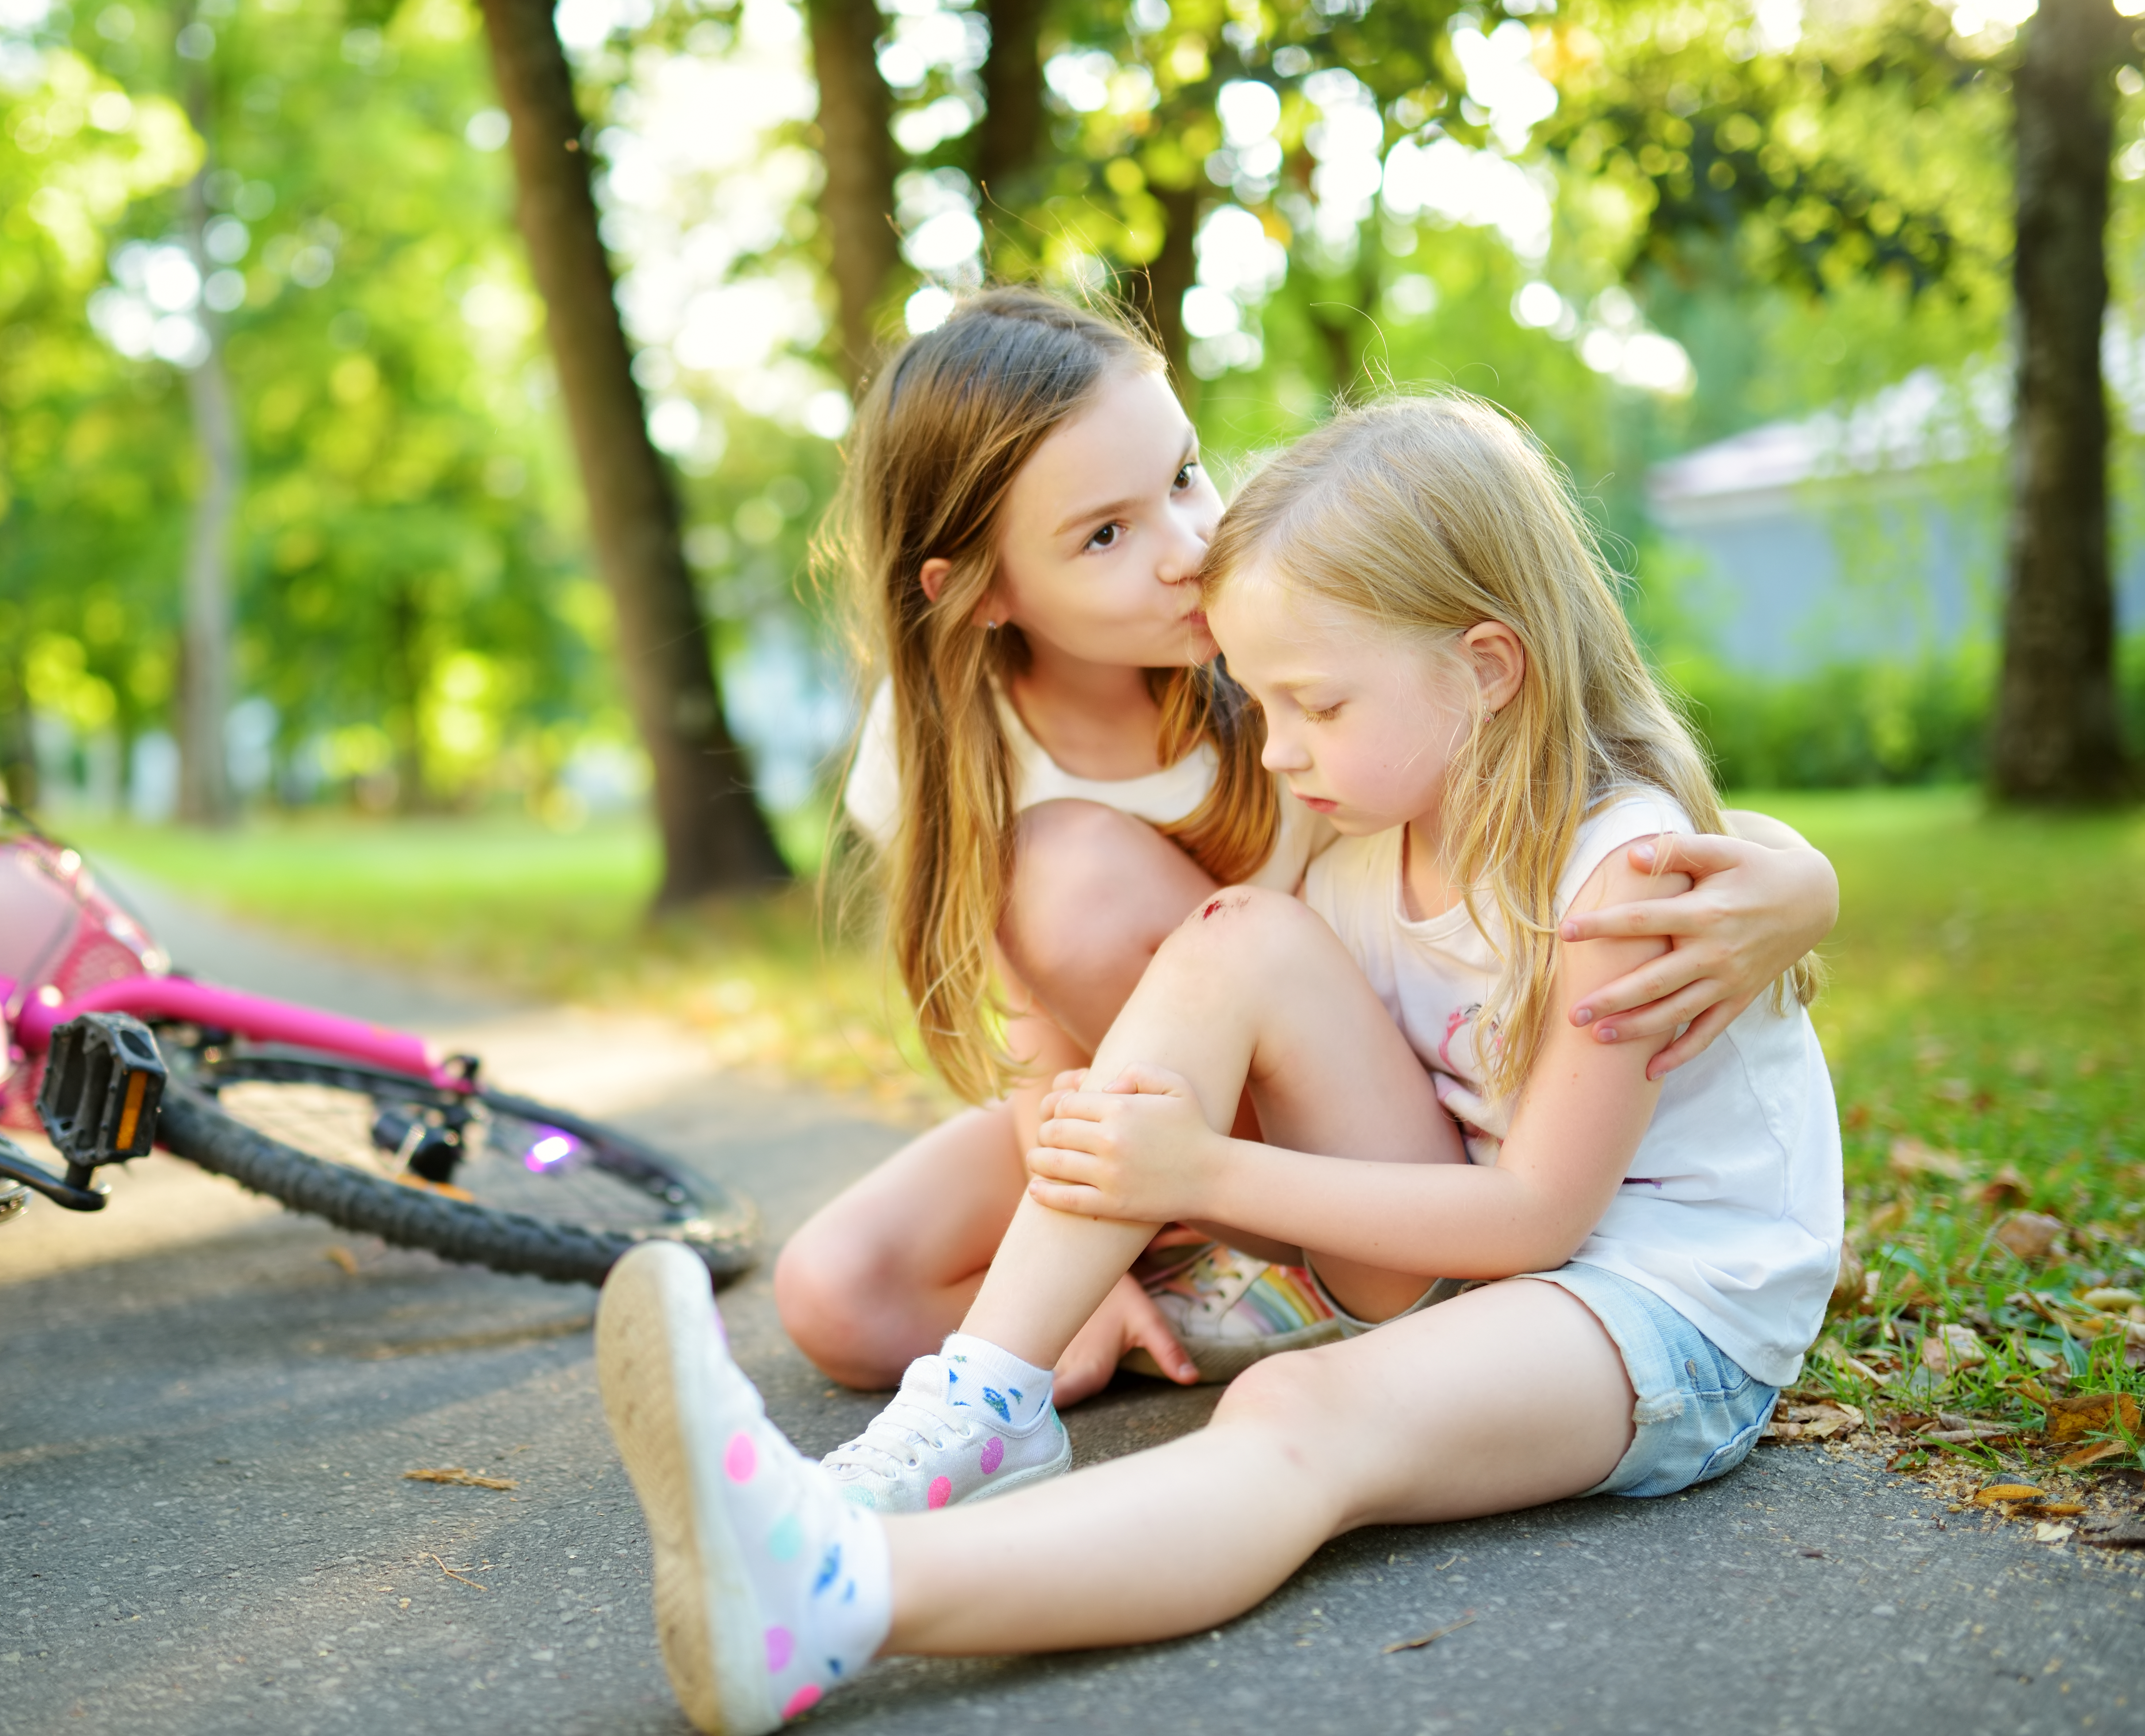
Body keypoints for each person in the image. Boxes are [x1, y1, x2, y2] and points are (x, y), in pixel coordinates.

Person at [593, 391, 1844, 1735]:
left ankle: (839, 1595)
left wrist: (1202, 1170)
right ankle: (979, 1402)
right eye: (1263, 703)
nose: (1279, 745)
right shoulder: (1365, 842)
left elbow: (1540, 1214)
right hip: (1478, 1260)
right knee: (1237, 933)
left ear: (1489, 667)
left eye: (1316, 703)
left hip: (1663, 1309)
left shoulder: (1623, 885)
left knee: (1303, 1417)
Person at [779, 288, 1840, 1401]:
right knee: (834, 1292)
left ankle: (1259, 1275)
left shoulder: (1299, 676)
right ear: (983, 591)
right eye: (1106, 533)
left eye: (1185, 476)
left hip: (1340, 1133)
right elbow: (1042, 1033)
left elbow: (1571, 775)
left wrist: (1802, 881)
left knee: (1079, 878)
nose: (1189, 549)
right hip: (1136, 1112)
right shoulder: (936, 741)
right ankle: (1155, 1295)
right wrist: (1071, 1268)